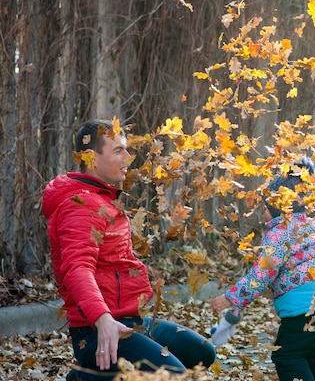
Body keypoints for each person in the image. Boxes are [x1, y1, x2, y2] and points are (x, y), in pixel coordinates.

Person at [42, 120, 216, 380]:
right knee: (172, 375)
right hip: (97, 330)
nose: (128, 157)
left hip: (130, 321)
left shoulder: (103, 199)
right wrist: (102, 320)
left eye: (126, 149)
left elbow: (114, 261)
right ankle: (85, 377)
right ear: (91, 158)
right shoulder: (79, 205)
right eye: (118, 151)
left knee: (203, 353)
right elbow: (77, 268)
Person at [209, 156, 315, 381]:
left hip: (306, 311)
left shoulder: (277, 235)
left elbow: (261, 275)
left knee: (288, 357)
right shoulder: (311, 225)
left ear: (275, 207)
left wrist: (231, 299)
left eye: (265, 206)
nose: (263, 211)